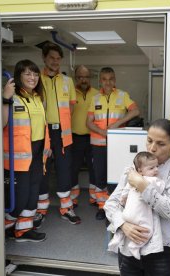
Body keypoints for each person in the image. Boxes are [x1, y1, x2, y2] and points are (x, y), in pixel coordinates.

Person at [104, 119, 170, 275]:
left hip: (162, 251)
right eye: (149, 141)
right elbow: (111, 205)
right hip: (129, 248)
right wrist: (123, 225)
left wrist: (141, 184)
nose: (152, 148)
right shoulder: (133, 167)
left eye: (161, 144)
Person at [3, 59, 51, 242]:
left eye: (35, 74)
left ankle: (23, 230)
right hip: (19, 158)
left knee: (33, 195)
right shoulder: (12, 97)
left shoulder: (37, 98)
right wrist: (5, 98)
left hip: (38, 154)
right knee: (20, 198)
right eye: (28, 73)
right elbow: (1, 124)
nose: (33, 77)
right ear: (19, 76)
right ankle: (5, 228)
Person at [35, 42, 80, 227]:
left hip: (63, 133)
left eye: (58, 58)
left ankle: (66, 208)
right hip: (42, 132)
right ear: (44, 58)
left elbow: (71, 105)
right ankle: (40, 210)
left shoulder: (67, 81)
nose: (55, 61)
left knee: (64, 170)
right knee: (42, 170)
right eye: (51, 58)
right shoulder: (37, 78)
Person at [87, 66, 140, 220]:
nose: (108, 82)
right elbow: (88, 122)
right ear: (100, 81)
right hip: (98, 145)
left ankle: (117, 206)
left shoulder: (123, 96)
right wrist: (103, 132)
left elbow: (135, 111)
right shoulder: (95, 99)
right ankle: (103, 207)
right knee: (100, 176)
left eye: (111, 79)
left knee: (118, 176)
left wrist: (117, 124)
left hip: (118, 145)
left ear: (115, 80)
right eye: (104, 79)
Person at [107, 151, 165, 260]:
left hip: (126, 214)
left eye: (157, 166)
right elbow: (160, 189)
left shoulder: (133, 178)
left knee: (124, 232)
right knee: (147, 231)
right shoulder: (153, 180)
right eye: (151, 168)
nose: (156, 170)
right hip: (140, 215)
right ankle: (135, 246)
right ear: (140, 171)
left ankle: (116, 239)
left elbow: (125, 191)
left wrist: (123, 199)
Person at [70, 65, 98, 207]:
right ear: (76, 78)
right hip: (75, 138)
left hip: (93, 138)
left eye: (86, 77)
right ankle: (73, 198)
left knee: (94, 168)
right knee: (73, 168)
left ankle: (94, 197)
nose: (83, 79)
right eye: (80, 77)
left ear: (90, 78)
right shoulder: (70, 93)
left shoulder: (97, 94)